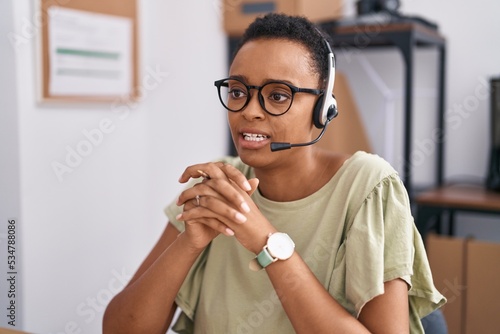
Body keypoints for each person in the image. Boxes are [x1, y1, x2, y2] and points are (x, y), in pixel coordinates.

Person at [103, 13, 446, 333]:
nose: (249, 111)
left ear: (323, 109)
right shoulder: (216, 187)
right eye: (238, 91)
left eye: (278, 95)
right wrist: (189, 241)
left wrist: (266, 242)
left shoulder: (369, 188)